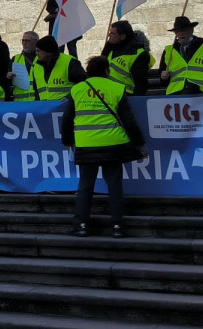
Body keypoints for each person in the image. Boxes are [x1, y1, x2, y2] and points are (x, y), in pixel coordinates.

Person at [62, 56, 147, 238]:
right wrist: (139, 143)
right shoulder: (116, 88)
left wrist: (67, 140)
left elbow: (67, 119)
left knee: (85, 186)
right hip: (113, 143)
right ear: (107, 71)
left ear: (88, 71)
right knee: (114, 185)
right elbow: (129, 121)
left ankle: (81, 225)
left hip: (86, 144)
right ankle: (117, 226)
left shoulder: (77, 90)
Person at [160, 16, 203, 100]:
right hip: (175, 97)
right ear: (175, 33)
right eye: (178, 31)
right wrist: (163, 77)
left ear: (191, 30)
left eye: (184, 30)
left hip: (201, 95)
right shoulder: (168, 51)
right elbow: (163, 81)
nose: (181, 33)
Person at [30, 35, 86, 101]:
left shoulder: (69, 62)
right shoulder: (37, 65)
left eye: (39, 51)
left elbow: (83, 85)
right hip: (46, 109)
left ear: (48, 52)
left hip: (67, 108)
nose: (36, 53)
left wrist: (69, 98)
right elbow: (36, 91)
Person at [102, 20, 150, 96]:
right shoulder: (109, 47)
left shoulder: (138, 54)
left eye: (112, 33)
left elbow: (141, 85)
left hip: (126, 97)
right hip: (108, 95)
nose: (109, 35)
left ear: (123, 37)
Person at [8, 31, 40, 102]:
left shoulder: (42, 57)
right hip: (20, 103)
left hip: (38, 102)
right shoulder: (15, 59)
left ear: (36, 42)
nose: (24, 43)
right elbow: (8, 81)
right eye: (23, 40)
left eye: (27, 41)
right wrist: (8, 76)